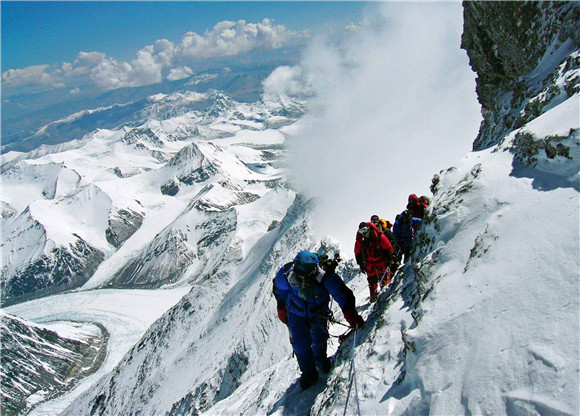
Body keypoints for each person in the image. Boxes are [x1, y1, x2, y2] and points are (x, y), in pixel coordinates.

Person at [273, 251, 364, 390]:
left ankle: (320, 361)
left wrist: (349, 311)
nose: (302, 277)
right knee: (300, 344)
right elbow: (279, 290)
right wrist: (281, 307)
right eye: (300, 273)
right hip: (298, 314)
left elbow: (341, 293)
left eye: (306, 274)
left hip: (316, 313)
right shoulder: (287, 276)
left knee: (319, 338)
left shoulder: (324, 277)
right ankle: (309, 372)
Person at [354, 222, 393, 302]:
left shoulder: (379, 237)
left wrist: (389, 259)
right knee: (372, 282)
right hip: (369, 264)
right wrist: (361, 264)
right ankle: (373, 297)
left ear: (368, 229)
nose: (364, 233)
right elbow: (358, 253)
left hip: (381, 261)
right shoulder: (360, 242)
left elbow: (388, 248)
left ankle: (386, 294)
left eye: (365, 230)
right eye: (361, 232)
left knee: (384, 278)